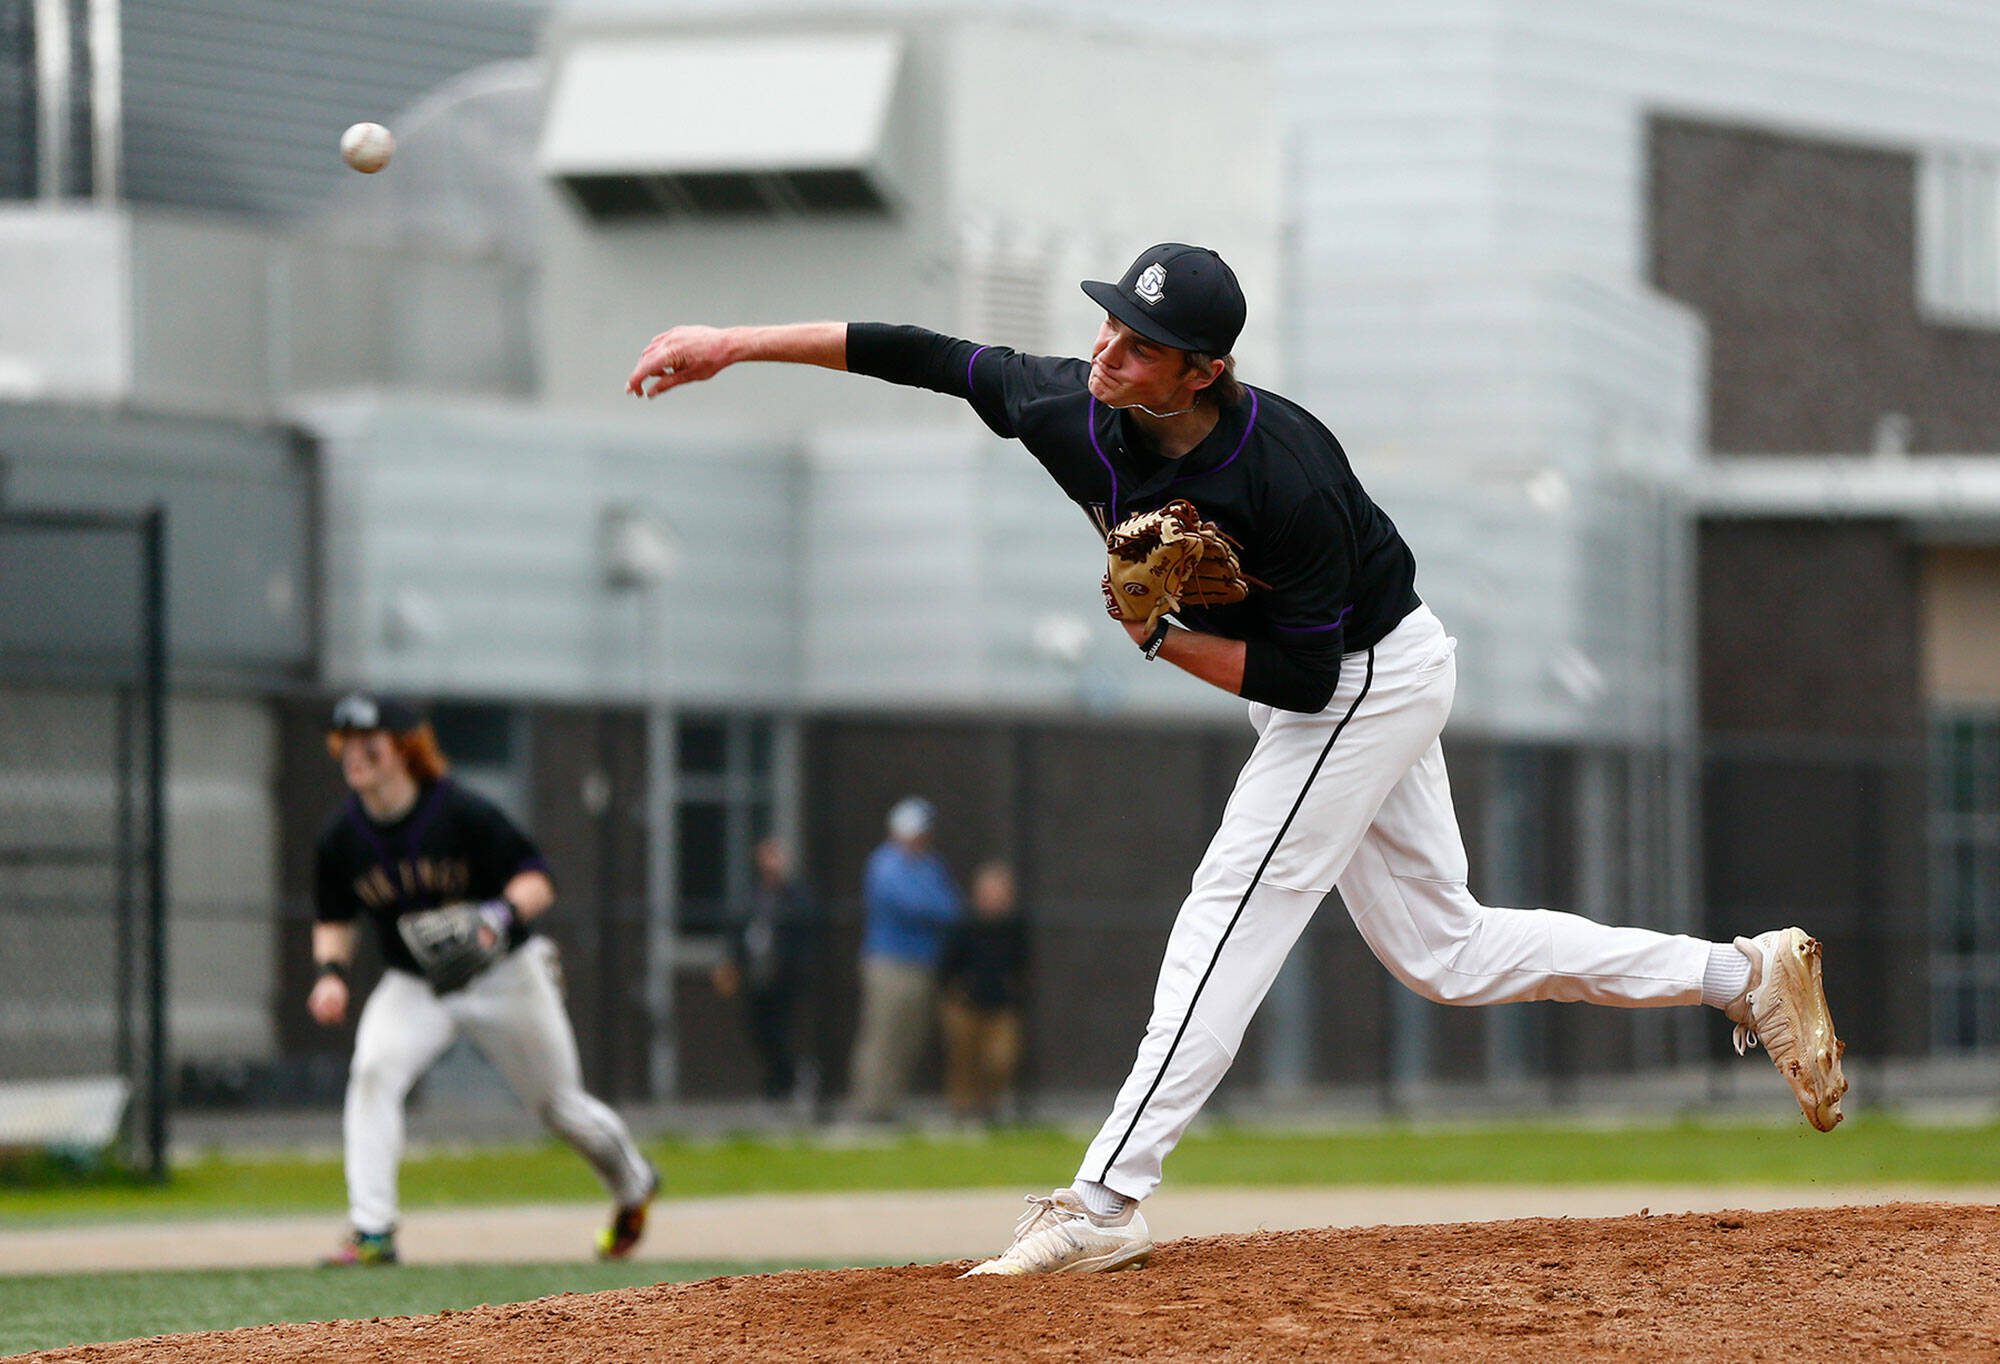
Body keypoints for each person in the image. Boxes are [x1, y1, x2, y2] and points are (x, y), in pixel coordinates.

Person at [622, 242, 1847, 1276]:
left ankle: (1103, 1200)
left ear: (1202, 370)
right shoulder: (1071, 405)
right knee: (1444, 949)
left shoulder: (1284, 471)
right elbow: (923, 353)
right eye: (1107, 324)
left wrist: (1158, 633)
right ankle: (1740, 974)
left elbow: (1306, 682)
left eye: (1140, 343)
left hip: (1363, 675)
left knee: (1229, 907)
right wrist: (734, 339)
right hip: (1331, 682)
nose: (1106, 352)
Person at [308, 691, 660, 1266]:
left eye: (368, 744)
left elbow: (537, 880)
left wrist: (497, 915)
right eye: (345, 744)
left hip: (503, 974)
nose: (354, 755)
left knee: (557, 1106)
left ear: (404, 748)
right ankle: (372, 1230)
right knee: (373, 1072)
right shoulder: (340, 837)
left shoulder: (459, 812)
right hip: (416, 983)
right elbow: (333, 917)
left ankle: (634, 1183)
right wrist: (331, 974)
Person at [843, 796, 963, 1124]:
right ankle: (869, 1106)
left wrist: (930, 906)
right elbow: (910, 904)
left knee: (910, 1038)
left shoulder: (930, 864)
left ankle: (890, 1105)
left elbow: (949, 908)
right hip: (889, 964)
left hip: (922, 963)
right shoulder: (884, 863)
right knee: (882, 1035)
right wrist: (929, 905)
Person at [712, 836, 825, 1121]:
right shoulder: (751, 894)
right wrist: (730, 963)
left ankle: (785, 1083)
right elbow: (736, 930)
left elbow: (805, 928)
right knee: (759, 1031)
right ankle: (781, 1081)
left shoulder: (795, 894)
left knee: (781, 1030)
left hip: (784, 977)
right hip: (755, 975)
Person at [938, 861, 1030, 1128]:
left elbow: (1022, 963)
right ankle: (963, 1112)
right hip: (966, 1004)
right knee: (963, 1057)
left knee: (1000, 1058)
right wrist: (958, 990)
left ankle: (990, 1106)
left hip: (1001, 1004)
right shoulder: (964, 924)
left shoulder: (1012, 926)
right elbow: (948, 965)